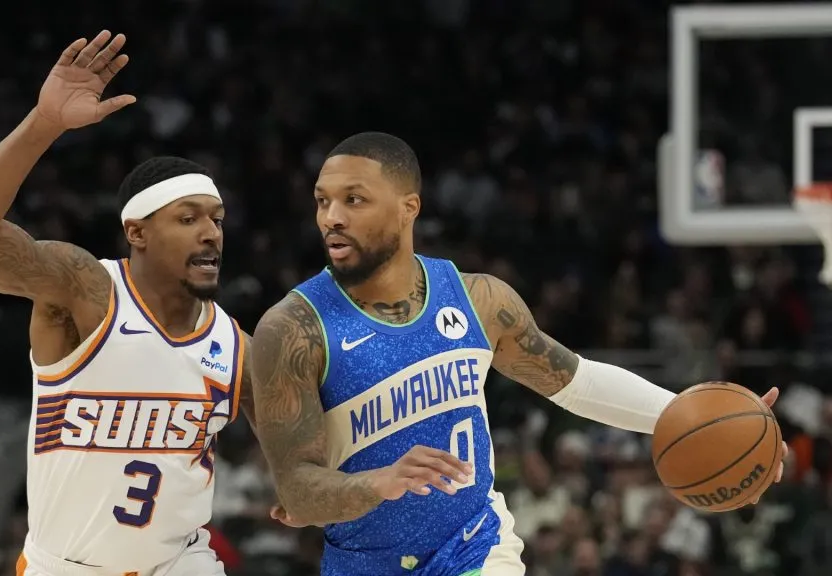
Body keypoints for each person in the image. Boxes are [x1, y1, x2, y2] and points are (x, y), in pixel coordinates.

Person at [248, 132, 787, 576]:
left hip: (475, 548)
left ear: (408, 207)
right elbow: (297, 491)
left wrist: (715, 423)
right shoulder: (294, 328)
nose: (331, 217)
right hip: (363, 564)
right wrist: (381, 481)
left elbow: (577, 382)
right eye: (323, 200)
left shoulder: (480, 300)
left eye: (354, 199)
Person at [0, 31, 252, 576]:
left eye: (216, 219)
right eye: (188, 217)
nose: (211, 233)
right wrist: (44, 125)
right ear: (138, 230)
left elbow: (307, 442)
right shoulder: (85, 289)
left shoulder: (234, 344)